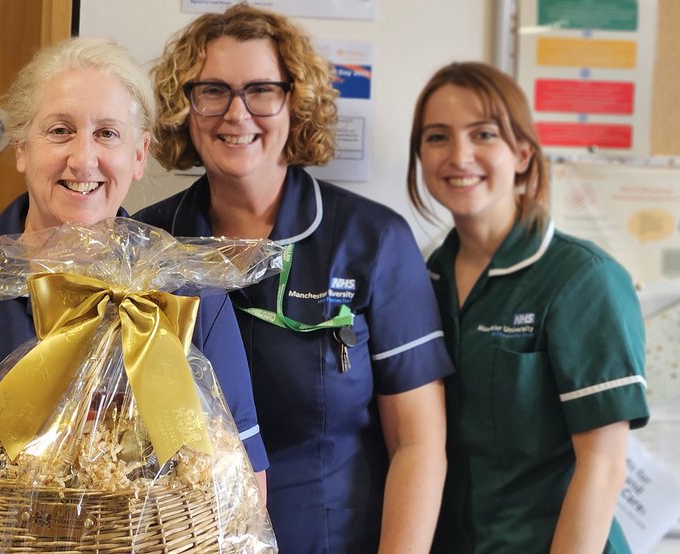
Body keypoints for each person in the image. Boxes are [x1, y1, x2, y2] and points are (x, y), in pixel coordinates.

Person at [0, 36, 270, 553]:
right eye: (59, 131)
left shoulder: (188, 293)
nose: (83, 158)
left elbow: (240, 478)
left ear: (139, 156)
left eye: (107, 133)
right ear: (21, 148)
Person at [135, 5, 452, 552]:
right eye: (212, 90)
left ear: (295, 103)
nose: (237, 115)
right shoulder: (145, 246)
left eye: (261, 90)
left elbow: (418, 443)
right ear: (183, 107)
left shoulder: (372, 241)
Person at [406, 61, 649, 553]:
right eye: (437, 137)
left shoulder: (582, 278)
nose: (459, 155)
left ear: (521, 154)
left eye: (483, 134)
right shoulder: (423, 277)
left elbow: (603, 465)